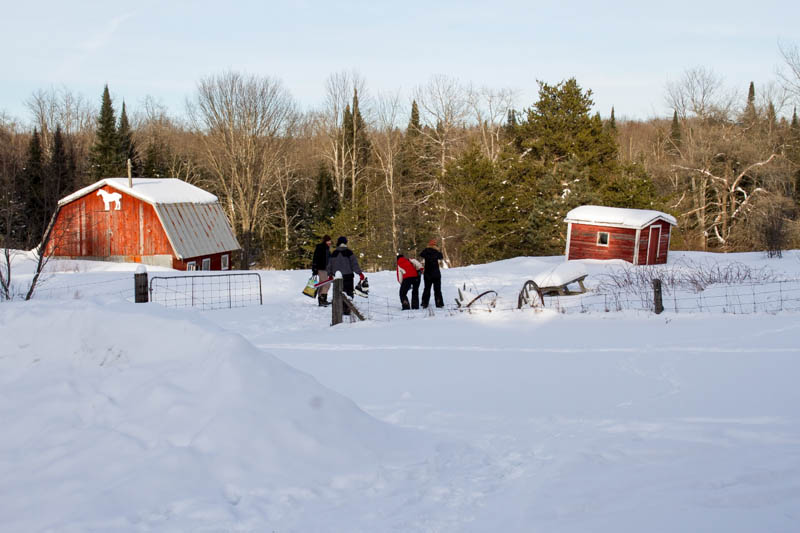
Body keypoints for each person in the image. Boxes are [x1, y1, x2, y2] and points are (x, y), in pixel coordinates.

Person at [326, 236, 364, 314]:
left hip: (337, 277)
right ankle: (347, 309)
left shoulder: (334, 253)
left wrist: (329, 274)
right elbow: (354, 264)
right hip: (348, 276)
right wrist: (359, 273)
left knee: (339, 293)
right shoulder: (349, 252)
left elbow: (329, 265)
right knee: (348, 293)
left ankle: (339, 309)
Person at [419, 238, 444, 308]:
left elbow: (421, 254)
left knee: (427, 288)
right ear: (435, 245)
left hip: (428, 273)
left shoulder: (426, 251)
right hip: (436, 273)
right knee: (437, 289)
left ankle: (424, 303)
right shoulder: (437, 251)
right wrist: (438, 250)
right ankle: (439, 303)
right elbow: (441, 257)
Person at [311, 235, 332, 306]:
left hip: (325, 269)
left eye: (330, 241)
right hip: (321, 269)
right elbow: (315, 258)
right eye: (328, 241)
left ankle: (321, 300)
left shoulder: (327, 249)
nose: (330, 242)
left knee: (322, 284)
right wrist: (314, 268)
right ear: (325, 241)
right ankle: (322, 300)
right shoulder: (320, 247)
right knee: (327, 284)